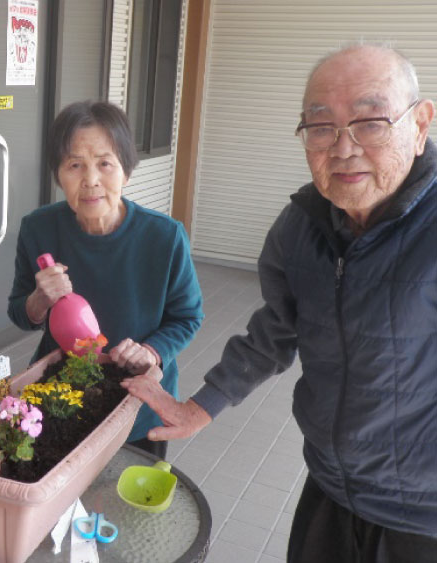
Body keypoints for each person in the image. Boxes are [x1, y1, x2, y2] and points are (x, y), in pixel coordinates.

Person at [122, 43, 437, 562]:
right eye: (321, 127)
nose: (343, 148)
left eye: (370, 122)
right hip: (331, 490)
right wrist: (200, 408)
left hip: (422, 521)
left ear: (420, 123)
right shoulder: (302, 227)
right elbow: (275, 329)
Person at [7, 100, 204, 459]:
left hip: (137, 399)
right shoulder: (38, 228)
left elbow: (188, 316)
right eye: (75, 165)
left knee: (127, 508)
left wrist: (151, 351)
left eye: (104, 164)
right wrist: (38, 300)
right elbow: (20, 312)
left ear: (126, 172)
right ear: (58, 174)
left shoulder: (164, 237)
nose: (91, 180)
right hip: (63, 399)